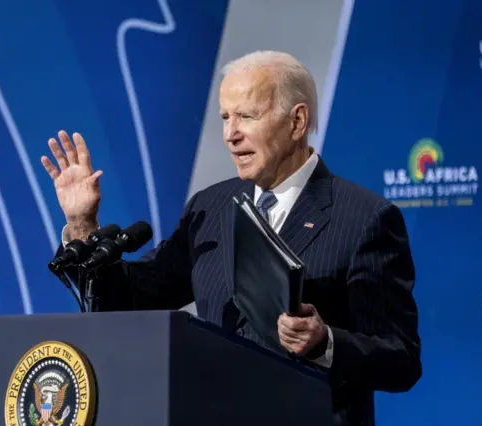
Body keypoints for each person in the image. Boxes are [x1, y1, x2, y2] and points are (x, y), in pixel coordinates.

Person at [41, 50, 421, 426]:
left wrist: (325, 344)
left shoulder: (364, 218)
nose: (230, 135)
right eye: (225, 117)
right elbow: (126, 301)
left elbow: (401, 359)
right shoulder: (210, 208)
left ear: (297, 121)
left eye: (246, 116)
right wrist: (82, 225)